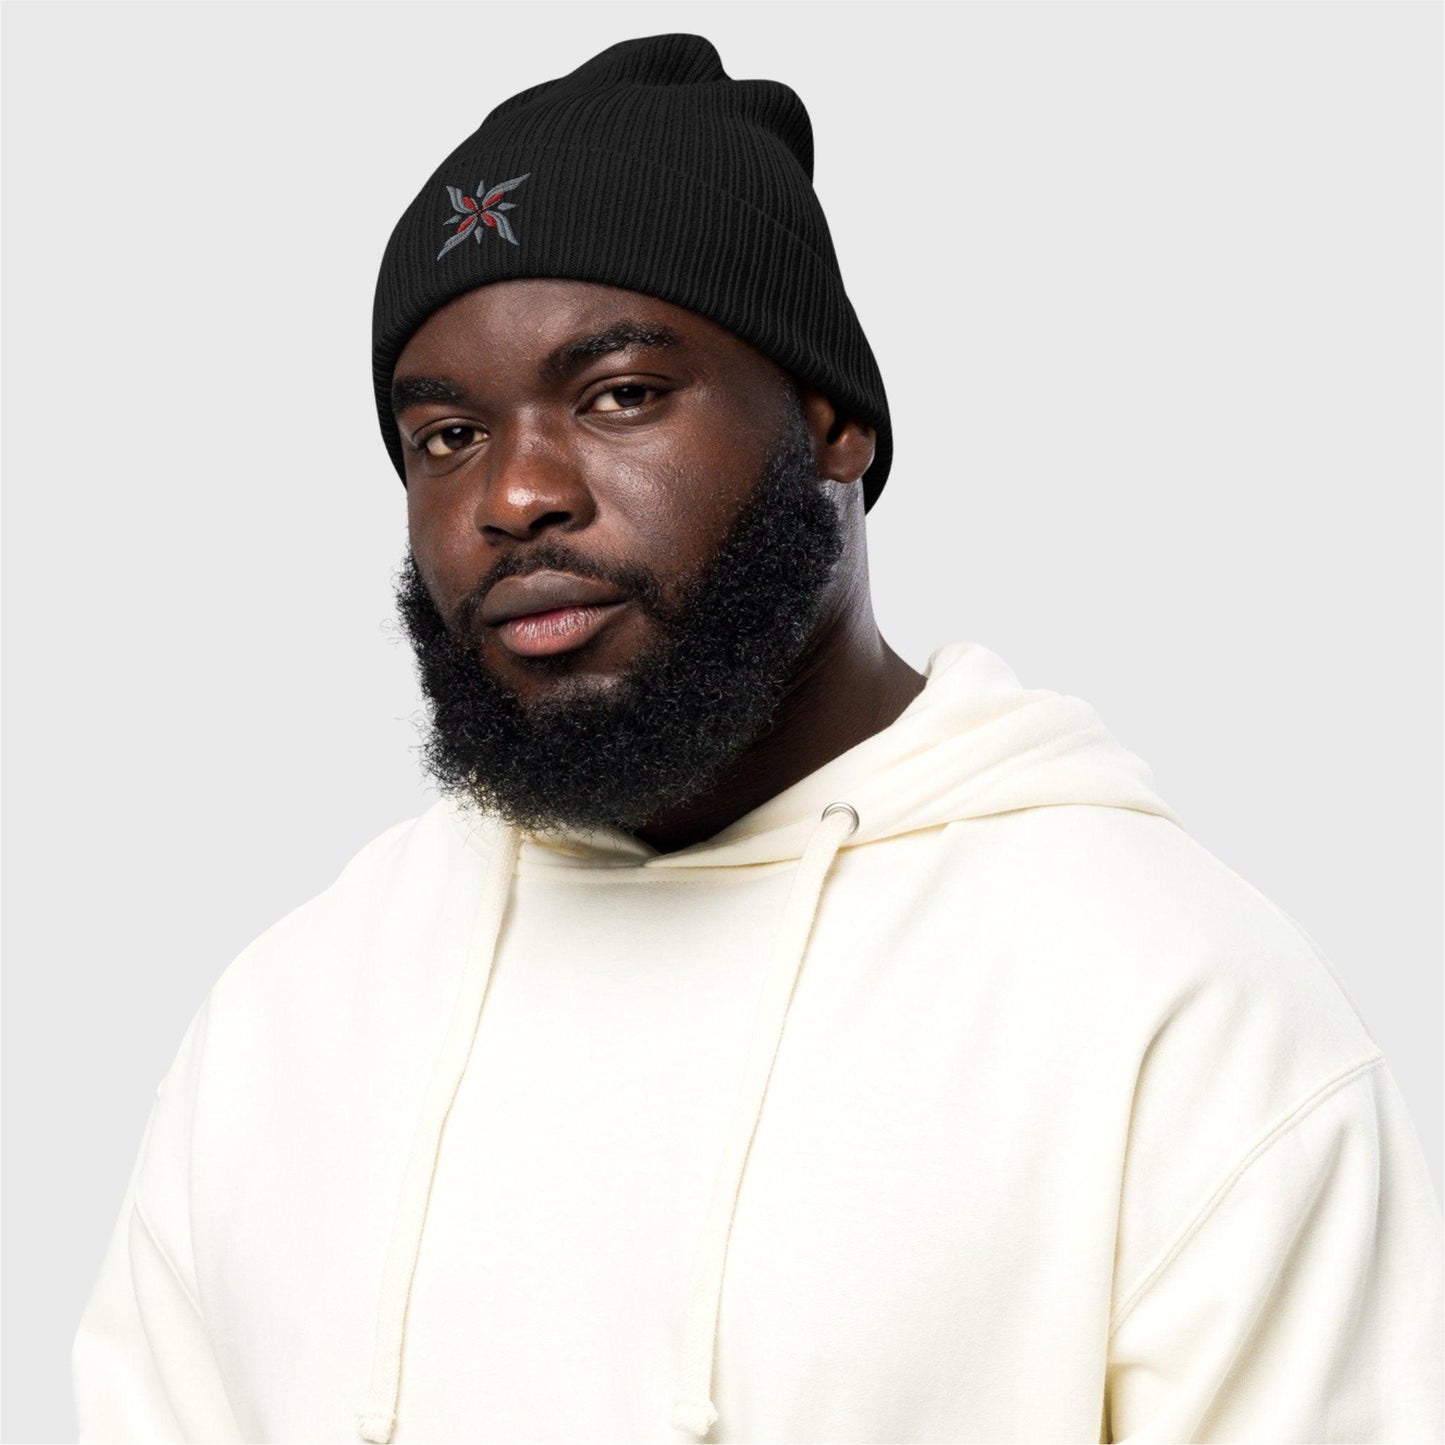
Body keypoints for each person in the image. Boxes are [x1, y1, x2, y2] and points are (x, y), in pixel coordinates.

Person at [71, 31, 1443, 1444]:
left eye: (617, 396)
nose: (516, 495)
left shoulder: (1166, 1000)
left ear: (830, 419)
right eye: (444, 436)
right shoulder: (287, 1024)